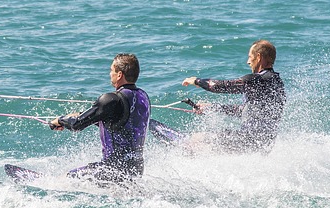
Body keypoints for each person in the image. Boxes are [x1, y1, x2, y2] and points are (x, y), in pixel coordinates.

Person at [151, 39, 285, 152]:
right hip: (264, 144)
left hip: (246, 140)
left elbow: (221, 86)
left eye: (250, 57)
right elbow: (248, 112)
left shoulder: (257, 80)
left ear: (259, 57)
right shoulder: (277, 83)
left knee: (198, 139)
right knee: (208, 147)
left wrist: (196, 81)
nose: (248, 62)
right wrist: (213, 107)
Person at [49, 53, 151, 183]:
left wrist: (60, 120)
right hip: (135, 170)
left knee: (63, 179)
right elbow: (124, 126)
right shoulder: (143, 97)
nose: (110, 74)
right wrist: (83, 115)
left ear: (119, 75)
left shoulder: (110, 99)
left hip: (111, 170)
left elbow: (76, 125)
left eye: (111, 70)